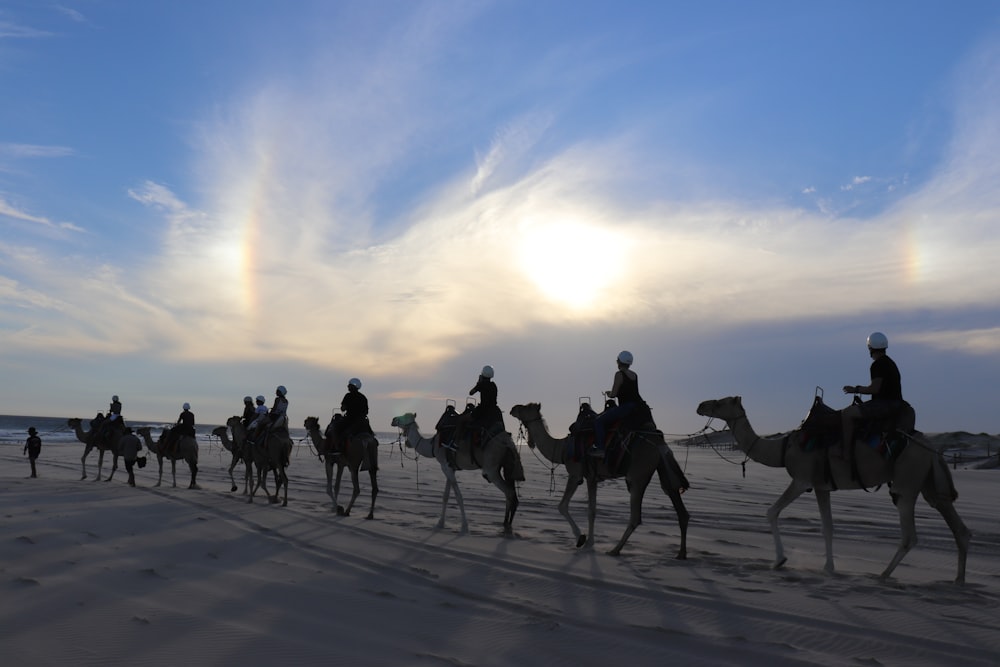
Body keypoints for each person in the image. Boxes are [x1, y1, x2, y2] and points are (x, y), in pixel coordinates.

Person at [840, 331, 904, 468]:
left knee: (846, 414)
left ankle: (846, 453)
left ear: (870, 348)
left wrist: (855, 389)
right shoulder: (890, 363)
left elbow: (875, 389)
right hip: (895, 404)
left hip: (885, 405)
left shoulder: (878, 365)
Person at [591, 350, 648, 454]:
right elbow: (630, 391)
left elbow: (613, 394)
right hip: (638, 406)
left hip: (625, 407)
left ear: (619, 362)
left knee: (598, 421)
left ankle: (600, 449)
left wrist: (609, 393)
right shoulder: (634, 375)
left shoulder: (619, 374)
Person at [452, 365, 503, 447]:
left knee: (461, 419)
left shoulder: (481, 385)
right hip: (494, 410)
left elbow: (471, 393)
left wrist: (478, 382)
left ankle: (456, 443)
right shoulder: (494, 385)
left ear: (482, 374)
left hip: (482, 410)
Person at [333, 378, 373, 448]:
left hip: (350, 419)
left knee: (336, 429)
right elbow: (366, 411)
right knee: (370, 434)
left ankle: (337, 448)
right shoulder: (363, 397)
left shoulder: (348, 396)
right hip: (362, 420)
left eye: (349, 385)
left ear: (353, 386)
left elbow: (343, 409)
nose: (348, 386)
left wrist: (344, 407)